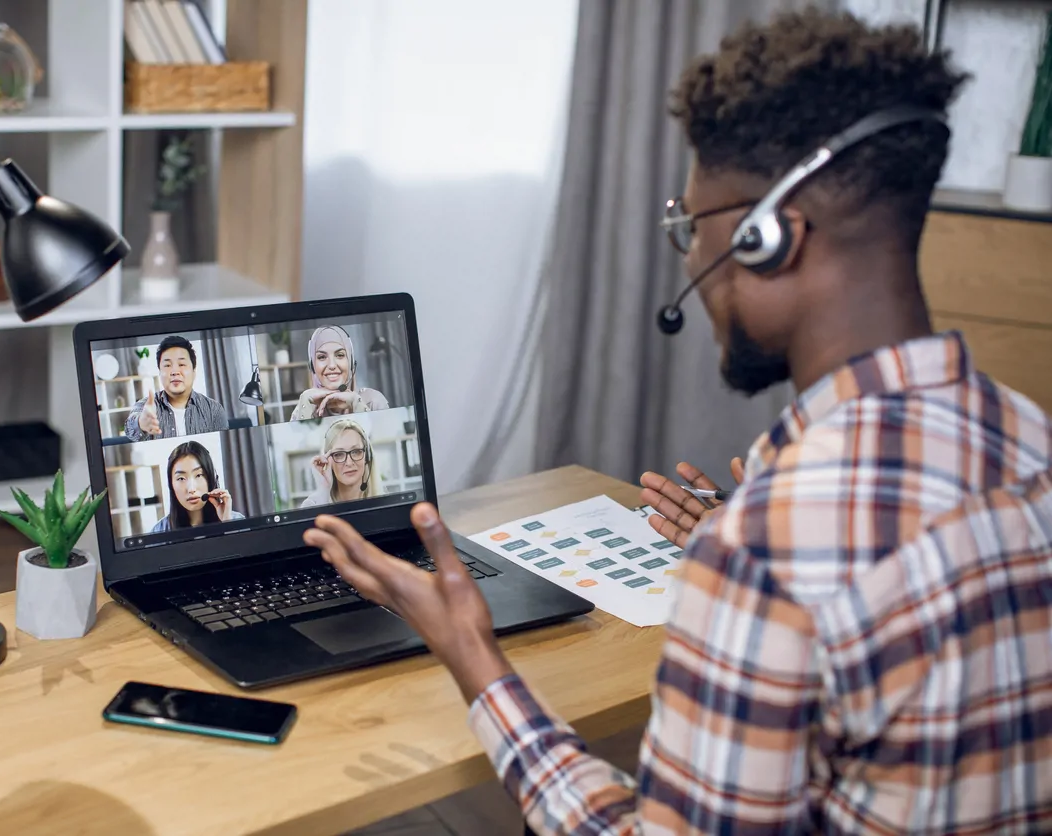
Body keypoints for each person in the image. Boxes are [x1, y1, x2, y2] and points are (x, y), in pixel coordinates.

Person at [303, 10, 1052, 834]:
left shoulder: (773, 545)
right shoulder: (1024, 438)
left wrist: (473, 654)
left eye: (693, 228)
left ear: (769, 238)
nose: (690, 258)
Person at [125, 336, 228, 440]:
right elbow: (130, 429)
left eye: (182, 364)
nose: (175, 371)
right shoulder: (146, 406)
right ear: (160, 373)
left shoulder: (214, 410)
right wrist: (141, 423)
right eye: (167, 365)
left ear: (193, 372)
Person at [290, 325, 390, 420]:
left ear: (351, 362)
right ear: (312, 366)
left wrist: (357, 404)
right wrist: (305, 407)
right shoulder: (304, 407)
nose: (332, 365)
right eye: (322, 357)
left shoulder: (373, 401)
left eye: (340, 355)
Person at [151, 440, 244, 532]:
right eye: (181, 478)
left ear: (210, 478)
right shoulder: (159, 530)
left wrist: (228, 525)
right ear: (171, 484)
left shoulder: (236, 520)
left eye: (199, 475)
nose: (191, 489)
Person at [299, 419, 382, 508]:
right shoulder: (311, 505)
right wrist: (324, 490)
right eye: (339, 454)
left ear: (367, 457)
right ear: (327, 460)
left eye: (356, 451)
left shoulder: (383, 502)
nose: (349, 463)